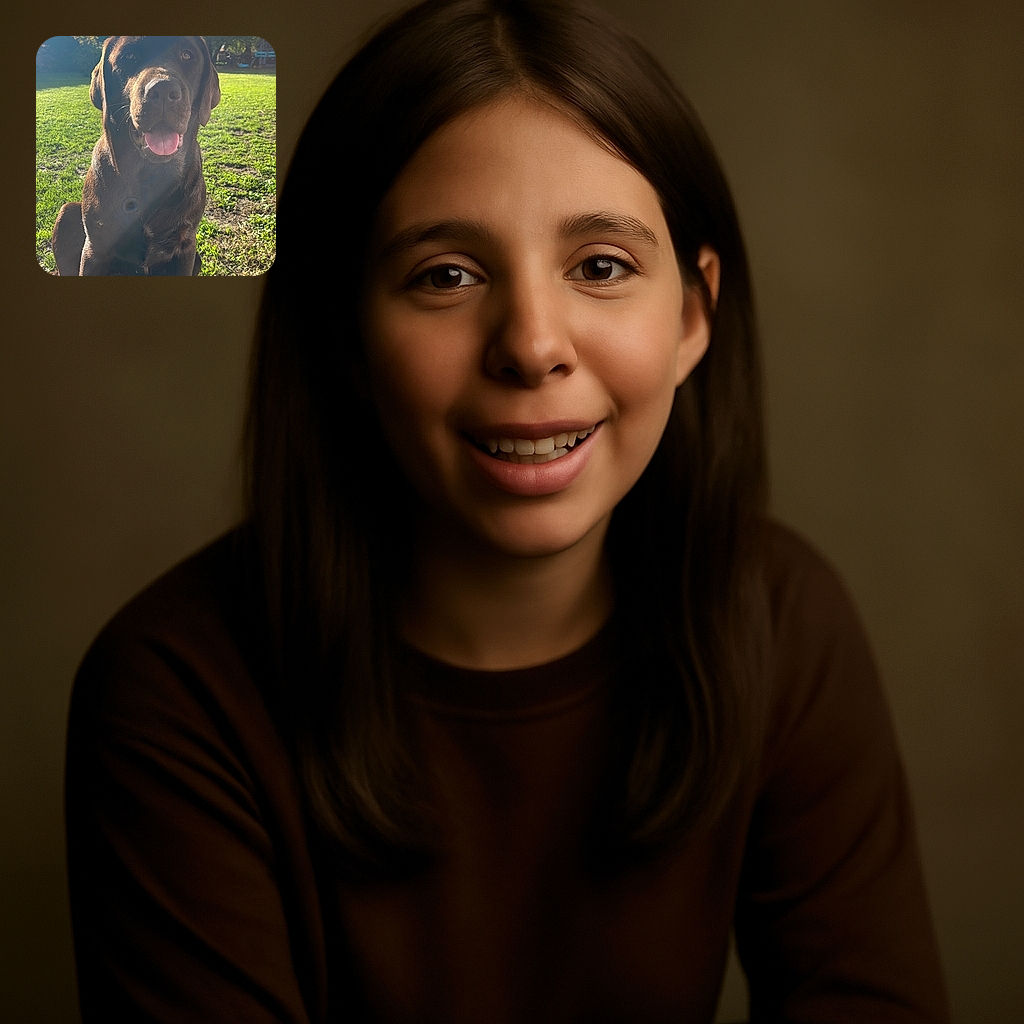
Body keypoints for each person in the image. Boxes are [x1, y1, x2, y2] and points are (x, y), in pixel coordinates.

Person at [65, 1, 950, 1020]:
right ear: (344, 334)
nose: (531, 345)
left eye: (601, 267)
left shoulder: (783, 624)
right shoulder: (176, 694)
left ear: (691, 316)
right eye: (445, 275)